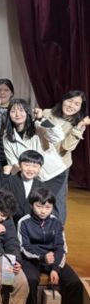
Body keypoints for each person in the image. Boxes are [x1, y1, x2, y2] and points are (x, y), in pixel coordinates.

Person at [18, 187, 86, 304]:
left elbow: (61, 248)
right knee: (30, 281)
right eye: (39, 206)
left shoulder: (56, 222)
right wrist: (42, 256)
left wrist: (56, 268)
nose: (43, 211)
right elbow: (24, 247)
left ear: (52, 207)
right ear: (31, 205)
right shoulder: (24, 222)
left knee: (74, 282)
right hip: (32, 260)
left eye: (47, 207)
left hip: (53, 260)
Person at [2, 99, 67, 218]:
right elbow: (12, 162)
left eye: (21, 110)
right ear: (8, 114)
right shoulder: (7, 136)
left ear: (27, 112)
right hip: (32, 175)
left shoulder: (37, 125)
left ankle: (56, 229)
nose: (17, 114)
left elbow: (58, 136)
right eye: (13, 111)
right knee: (33, 206)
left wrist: (41, 119)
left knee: (48, 205)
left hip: (53, 173)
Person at [41, 90, 89, 223]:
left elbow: (67, 147)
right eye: (70, 100)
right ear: (63, 100)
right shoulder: (46, 113)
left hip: (60, 165)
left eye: (77, 104)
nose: (71, 105)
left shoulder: (77, 124)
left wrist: (79, 126)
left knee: (57, 199)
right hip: (40, 163)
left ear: (81, 108)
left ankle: (58, 230)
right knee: (38, 196)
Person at [0, 150, 44, 224]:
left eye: (35, 166)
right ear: (20, 165)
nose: (30, 169)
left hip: (32, 224)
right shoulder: (9, 182)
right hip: (9, 223)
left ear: (40, 169)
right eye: (26, 165)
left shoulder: (42, 186)